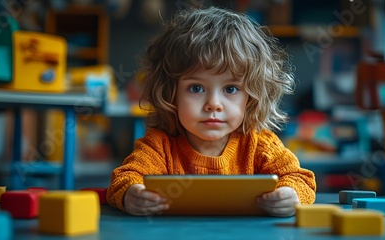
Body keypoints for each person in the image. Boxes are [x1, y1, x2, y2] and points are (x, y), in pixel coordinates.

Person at [106, 6, 316, 217]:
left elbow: (300, 179)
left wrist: (292, 195)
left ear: (251, 98)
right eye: (196, 88)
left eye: (230, 89)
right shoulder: (159, 145)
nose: (213, 104)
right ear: (171, 94)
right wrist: (131, 194)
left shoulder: (260, 145)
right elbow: (125, 177)